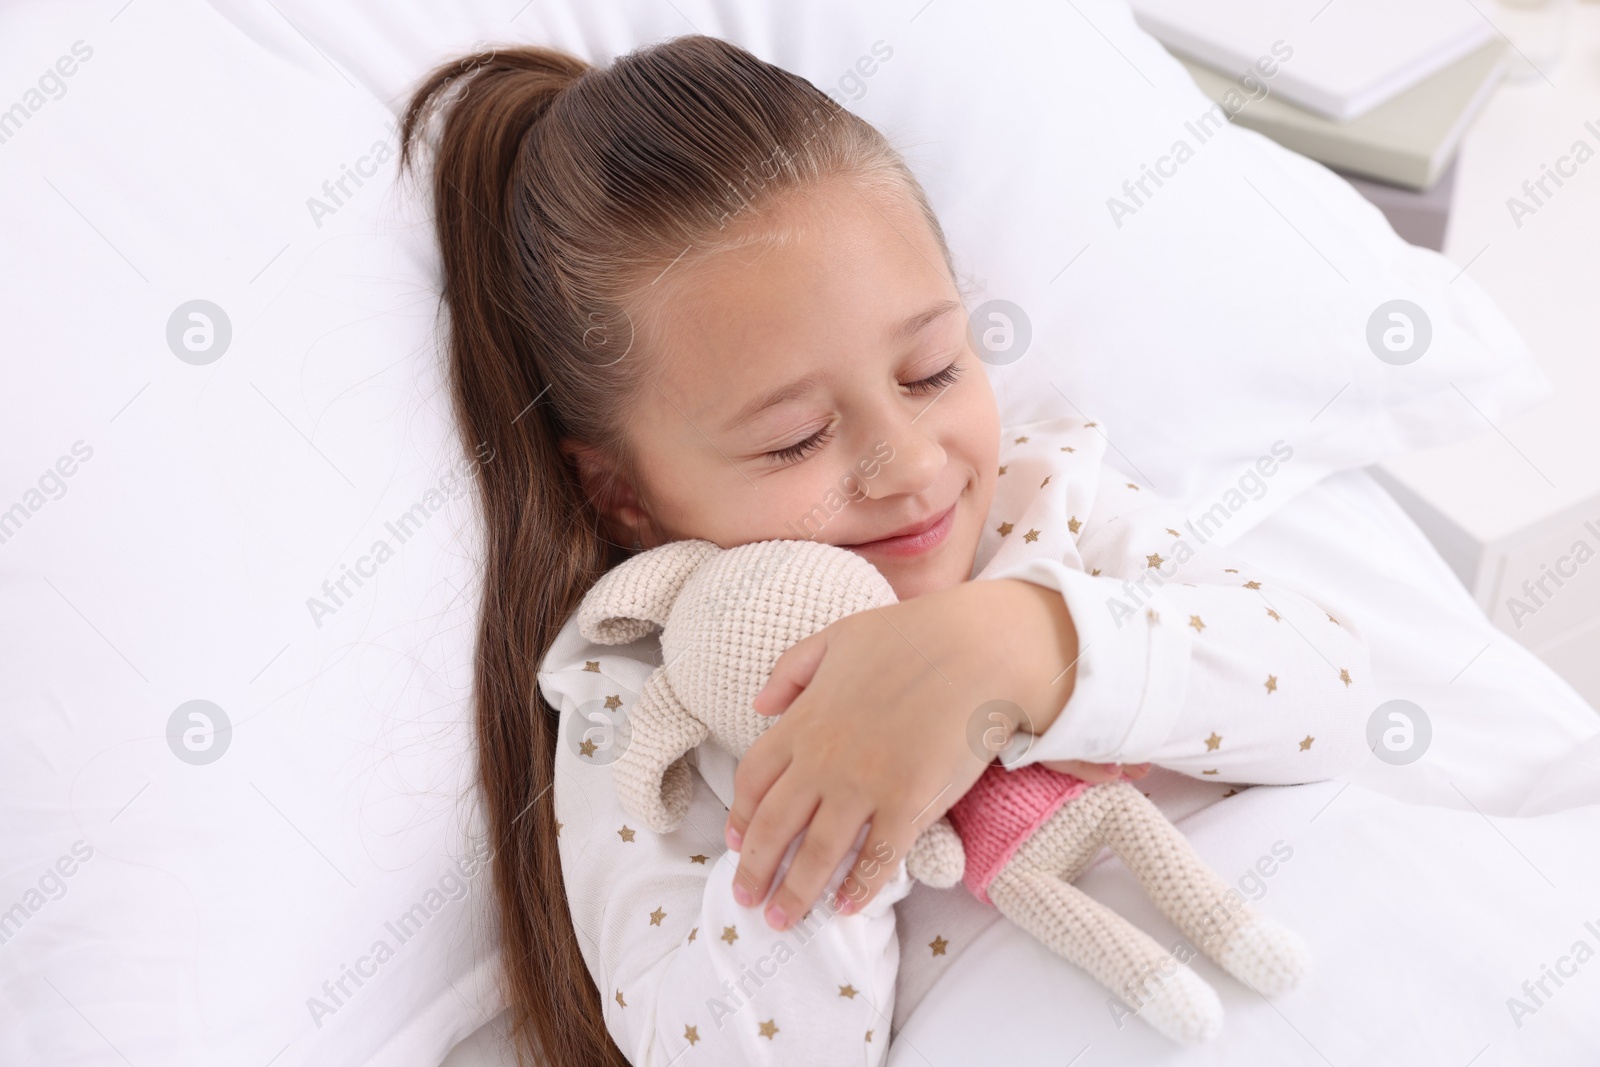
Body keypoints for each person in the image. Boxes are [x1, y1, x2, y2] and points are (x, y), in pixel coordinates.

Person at [399, 34, 1373, 1066]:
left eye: (931, 370)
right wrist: (828, 791)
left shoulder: (1043, 505)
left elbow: (1343, 694)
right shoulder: (644, 710)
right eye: (794, 440)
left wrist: (1018, 645)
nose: (908, 466)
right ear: (621, 494)